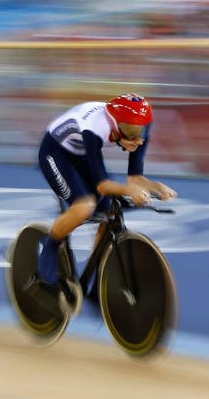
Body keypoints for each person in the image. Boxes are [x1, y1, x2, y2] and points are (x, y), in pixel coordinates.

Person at [33, 93, 177, 310]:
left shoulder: (140, 125)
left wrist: (155, 186)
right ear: (117, 127)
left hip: (79, 152)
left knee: (108, 209)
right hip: (55, 152)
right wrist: (130, 191)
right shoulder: (95, 127)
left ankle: (97, 278)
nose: (139, 140)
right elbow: (103, 185)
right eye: (132, 135)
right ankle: (49, 249)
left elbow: (135, 178)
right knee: (84, 206)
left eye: (142, 133)